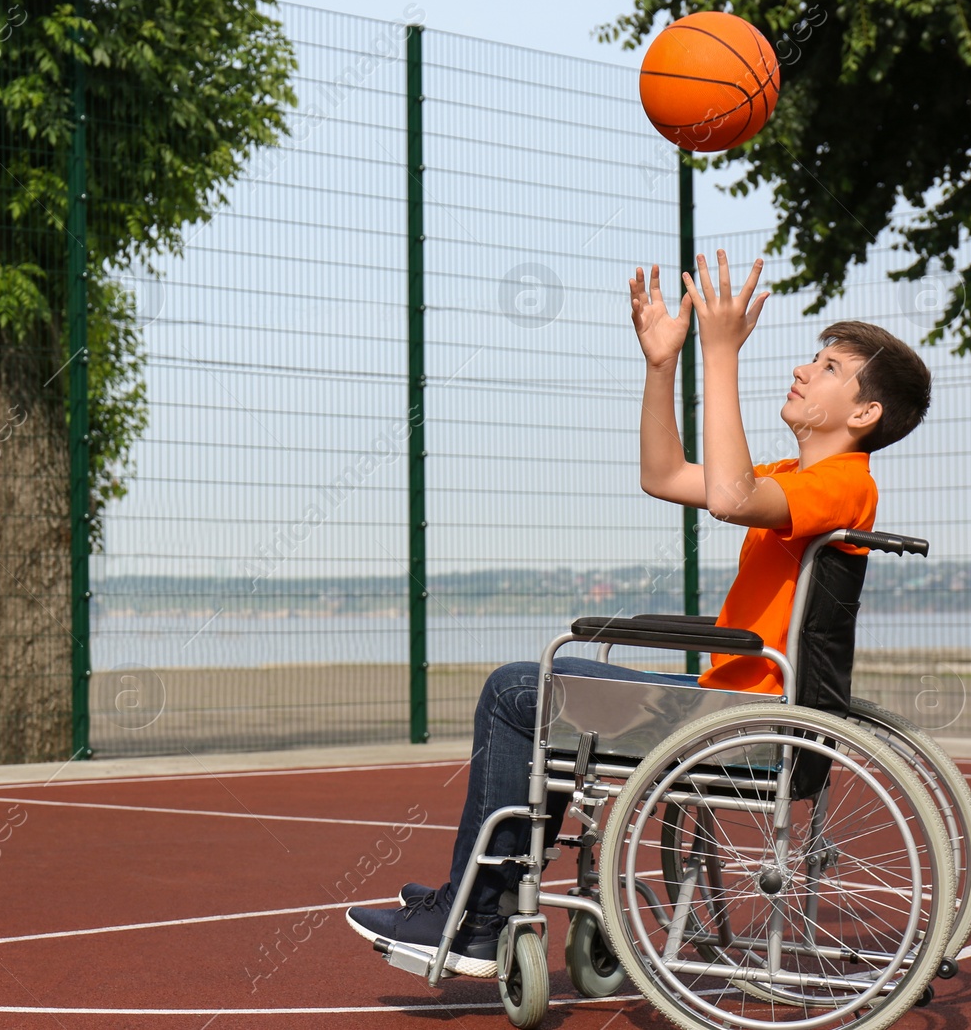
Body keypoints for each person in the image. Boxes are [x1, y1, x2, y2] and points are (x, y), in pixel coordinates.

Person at [345, 250, 933, 977]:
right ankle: (481, 908)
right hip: (738, 710)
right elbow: (663, 475)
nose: (806, 370)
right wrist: (663, 365)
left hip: (747, 721)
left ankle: (474, 919)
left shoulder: (845, 483)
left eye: (831, 368)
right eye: (816, 358)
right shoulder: (799, 477)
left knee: (517, 691)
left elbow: (727, 495)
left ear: (864, 413)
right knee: (546, 696)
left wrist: (721, 355)